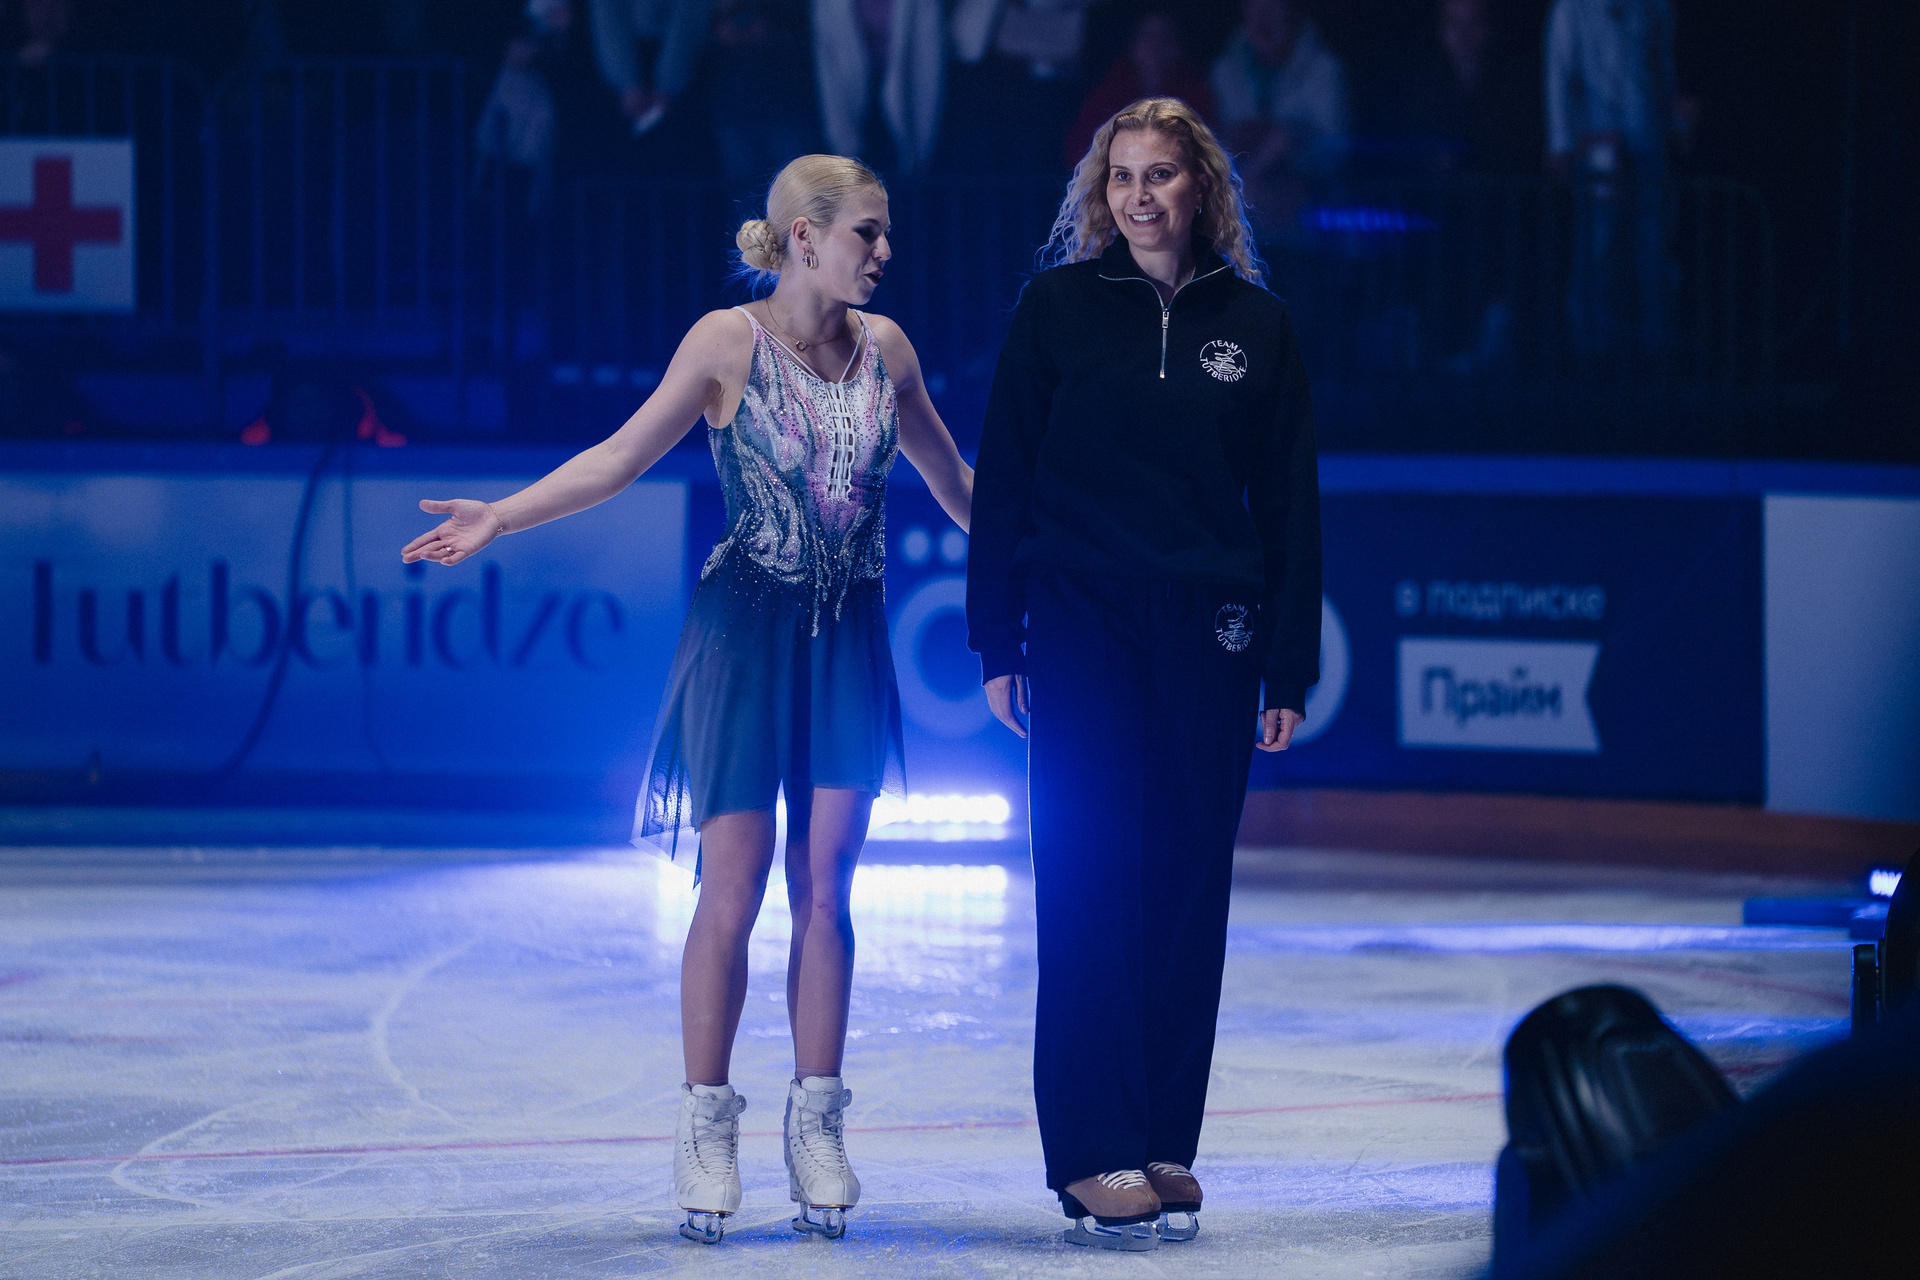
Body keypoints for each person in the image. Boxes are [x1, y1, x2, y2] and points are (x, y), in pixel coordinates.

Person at [401, 154, 973, 1245]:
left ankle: (818, 1125)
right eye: (867, 231)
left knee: (829, 886)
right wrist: (502, 515)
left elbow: (957, 488)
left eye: (884, 231)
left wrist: (1060, 548)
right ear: (805, 238)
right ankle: (706, 1127)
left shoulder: (889, 351)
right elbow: (619, 457)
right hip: (744, 636)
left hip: (848, 639)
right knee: (734, 886)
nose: (884, 251)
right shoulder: (725, 343)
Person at [966, 97, 1321, 1251]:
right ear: (1100, 191)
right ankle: (1090, 1147)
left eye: (1160, 174)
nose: (1139, 195)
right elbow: (1004, 478)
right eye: (1121, 176)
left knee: (1186, 877)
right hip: (1079, 616)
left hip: (1212, 628)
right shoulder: (1057, 308)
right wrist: (996, 637)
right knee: (1088, 875)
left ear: (1200, 186)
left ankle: (1164, 1136)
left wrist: (1288, 662)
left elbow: (1291, 504)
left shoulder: (1258, 325)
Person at [1544, 0, 1682, 360]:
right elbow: (1559, 70)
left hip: (1646, 137)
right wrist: (1561, 143)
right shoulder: (1572, 7)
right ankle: (1593, 344)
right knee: (1599, 240)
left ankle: (1657, 342)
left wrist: (1673, 123)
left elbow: (1663, 63)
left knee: (1653, 241)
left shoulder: (1655, 5)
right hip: (1597, 140)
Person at [1210, 0, 1351, 228]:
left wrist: (1290, 142)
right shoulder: (1225, 70)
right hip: (1238, 185)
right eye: (1256, 12)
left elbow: (1334, 146)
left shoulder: (1323, 69)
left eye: (1272, 11)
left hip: (1309, 188)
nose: (1263, 22)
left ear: (1290, 16)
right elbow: (1224, 134)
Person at [1062, 9, 1214, 169]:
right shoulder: (1111, 88)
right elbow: (1080, 149)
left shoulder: (1192, 90)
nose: (1155, 45)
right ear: (1133, 43)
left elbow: (1205, 149)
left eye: (1164, 36)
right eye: (1148, 35)